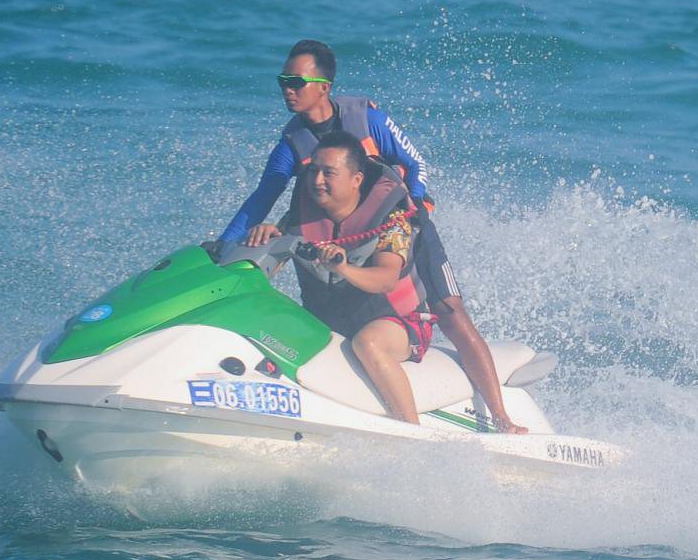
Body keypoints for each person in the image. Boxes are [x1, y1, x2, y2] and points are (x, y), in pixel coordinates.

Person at [219, 38, 529, 432]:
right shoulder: (292, 144)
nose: (287, 89)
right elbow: (263, 196)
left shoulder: (367, 120)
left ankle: (501, 416)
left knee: (451, 313)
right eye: (283, 81)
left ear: (324, 87)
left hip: (398, 223)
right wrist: (225, 246)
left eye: (295, 82)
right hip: (342, 231)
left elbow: (414, 163)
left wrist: (417, 201)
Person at [290, 136, 427, 425]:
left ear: (356, 179)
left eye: (328, 173)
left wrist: (343, 268)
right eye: (313, 170)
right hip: (335, 321)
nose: (317, 180)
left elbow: (387, 279)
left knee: (368, 342)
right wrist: (261, 238)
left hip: (399, 322)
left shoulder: (393, 221)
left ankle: (413, 432)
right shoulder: (299, 219)